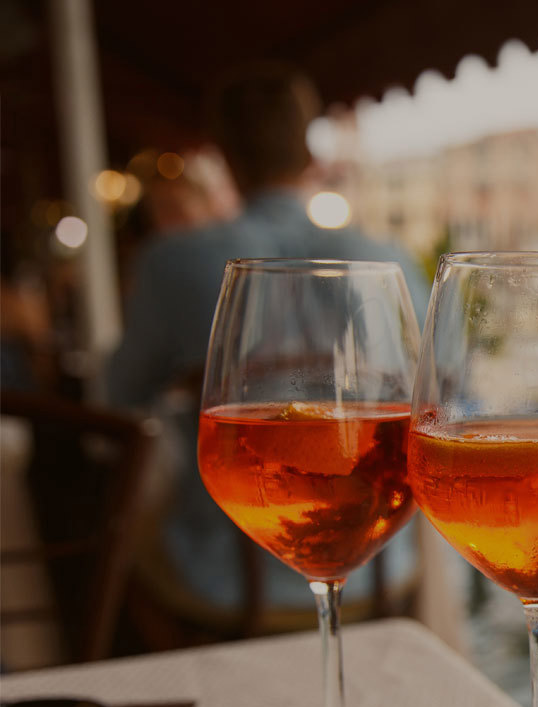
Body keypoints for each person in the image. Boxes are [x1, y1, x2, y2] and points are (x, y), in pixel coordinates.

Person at [105, 63, 430, 631]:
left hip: (222, 578)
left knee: (127, 542)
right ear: (307, 151)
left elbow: (117, 397)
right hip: (384, 569)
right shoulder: (388, 259)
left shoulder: (170, 260)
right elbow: (443, 400)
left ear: (224, 155)